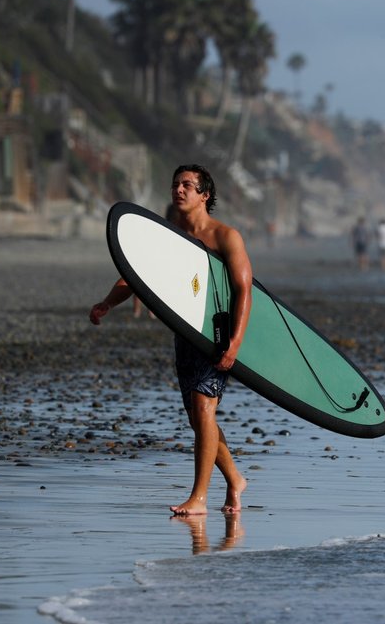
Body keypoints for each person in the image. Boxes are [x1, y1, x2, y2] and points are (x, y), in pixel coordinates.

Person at [90, 164, 251, 516]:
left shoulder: (226, 236)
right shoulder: (169, 235)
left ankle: (199, 498)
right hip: (186, 334)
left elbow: (244, 291)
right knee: (198, 417)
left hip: (217, 335)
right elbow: (134, 275)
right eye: (176, 184)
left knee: (205, 409)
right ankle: (236, 480)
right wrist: (107, 303)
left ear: (204, 195)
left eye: (188, 186)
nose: (179, 190)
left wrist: (235, 344)